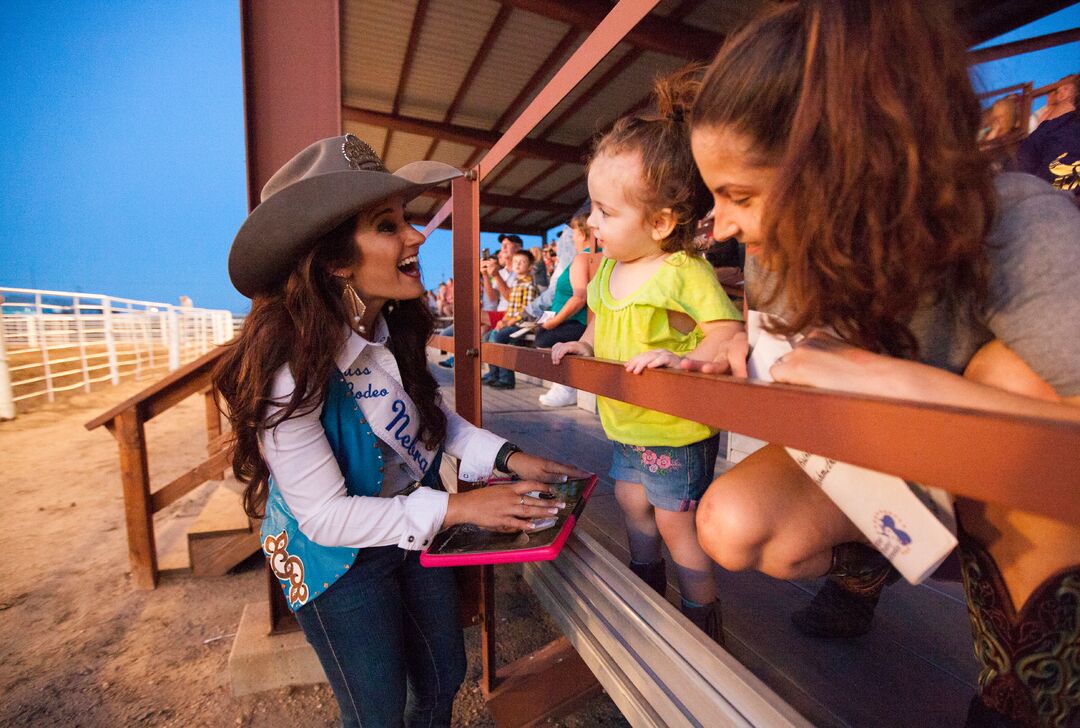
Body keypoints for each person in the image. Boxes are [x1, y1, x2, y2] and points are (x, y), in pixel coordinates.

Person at [683, 3, 1080, 725]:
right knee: (736, 522)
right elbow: (787, 362)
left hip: (1016, 481)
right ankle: (871, 564)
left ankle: (1020, 696)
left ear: (848, 166)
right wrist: (729, 341)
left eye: (738, 194)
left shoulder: (1022, 230)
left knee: (1006, 373)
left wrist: (896, 379)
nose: (723, 226)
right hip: (898, 460)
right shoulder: (779, 253)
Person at [213, 135, 585, 728]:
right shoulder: (287, 368)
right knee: (376, 709)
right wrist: (462, 509)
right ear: (335, 261)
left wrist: (510, 458)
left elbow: (432, 422)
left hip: (410, 521)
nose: (416, 236)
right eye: (389, 225)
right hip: (332, 555)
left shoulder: (392, 325)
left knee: (443, 673)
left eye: (407, 218)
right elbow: (327, 518)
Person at [551, 70, 745, 644]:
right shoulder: (608, 271)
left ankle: (698, 625)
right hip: (627, 424)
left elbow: (726, 334)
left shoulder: (684, 270)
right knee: (632, 506)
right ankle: (644, 596)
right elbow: (599, 328)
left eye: (606, 212)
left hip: (677, 429)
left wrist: (681, 358)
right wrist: (580, 346)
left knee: (675, 523)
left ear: (660, 223)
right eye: (593, 207)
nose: (592, 223)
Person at [535, 208, 602, 407]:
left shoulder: (584, 257)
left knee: (544, 337)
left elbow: (579, 297)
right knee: (542, 335)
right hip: (575, 319)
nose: (571, 238)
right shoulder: (588, 257)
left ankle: (567, 385)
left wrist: (554, 321)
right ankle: (563, 383)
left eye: (573, 233)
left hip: (579, 321)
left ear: (581, 233)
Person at [482, 249, 537, 390]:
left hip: (523, 324)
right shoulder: (516, 284)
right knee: (488, 336)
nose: (517, 264)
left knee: (499, 337)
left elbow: (525, 311)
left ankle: (506, 379)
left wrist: (507, 323)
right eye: (515, 262)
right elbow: (511, 309)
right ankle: (493, 374)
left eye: (522, 262)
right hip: (512, 322)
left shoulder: (529, 285)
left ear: (530, 267)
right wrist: (503, 321)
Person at [1018, 76, 1079, 200]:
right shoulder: (1055, 125)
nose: (1061, 94)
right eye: (1059, 91)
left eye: (1066, 89)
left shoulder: (1055, 125)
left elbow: (1022, 163)